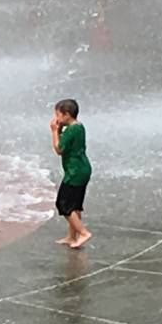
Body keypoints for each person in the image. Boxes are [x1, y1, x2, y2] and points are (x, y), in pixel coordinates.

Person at [51, 98, 91, 248]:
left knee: (64, 204)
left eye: (58, 115)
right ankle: (71, 236)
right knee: (75, 206)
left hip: (74, 172)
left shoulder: (71, 130)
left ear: (67, 114)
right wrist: (60, 129)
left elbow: (59, 149)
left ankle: (83, 233)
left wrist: (54, 131)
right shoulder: (79, 127)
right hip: (83, 169)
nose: (57, 119)